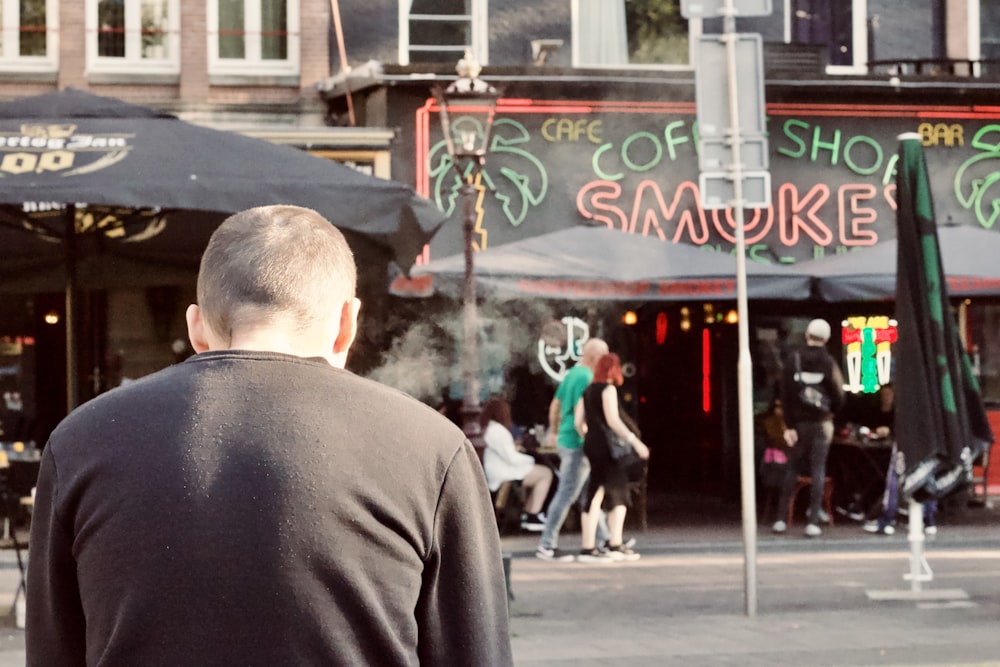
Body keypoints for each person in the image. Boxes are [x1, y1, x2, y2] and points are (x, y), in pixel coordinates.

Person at [26, 205, 513, 666]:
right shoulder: (431, 448)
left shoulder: (80, 441)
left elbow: (53, 654)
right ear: (347, 323)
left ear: (197, 327)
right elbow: (476, 652)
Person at [536, 337, 612, 561]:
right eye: (604, 355)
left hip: (567, 439)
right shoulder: (588, 377)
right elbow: (584, 412)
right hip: (578, 443)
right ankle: (547, 544)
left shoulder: (571, 374)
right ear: (595, 356)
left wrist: (555, 431)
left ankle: (606, 539)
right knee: (568, 493)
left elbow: (556, 404)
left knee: (588, 493)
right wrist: (589, 437)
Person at [773, 318, 846, 538]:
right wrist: (831, 411)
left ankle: (780, 519)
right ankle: (813, 521)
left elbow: (784, 394)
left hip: (799, 424)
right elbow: (839, 395)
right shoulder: (829, 362)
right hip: (822, 423)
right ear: (826, 339)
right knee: (818, 469)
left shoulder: (793, 359)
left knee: (792, 469)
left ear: (807, 336)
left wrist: (789, 425)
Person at [574, 353, 649, 562]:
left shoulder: (587, 391)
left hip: (592, 444)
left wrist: (588, 436)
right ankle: (612, 543)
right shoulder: (608, 389)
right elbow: (613, 420)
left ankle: (591, 545)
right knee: (618, 491)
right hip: (608, 448)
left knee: (595, 492)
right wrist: (635, 441)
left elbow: (577, 423)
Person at [860, 384, 939, 536]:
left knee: (895, 479)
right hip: (927, 440)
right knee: (926, 475)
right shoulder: (928, 389)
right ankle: (929, 519)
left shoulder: (907, 391)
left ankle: (887, 519)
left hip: (905, 440)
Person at [480, 395, 554, 531]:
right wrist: (531, 459)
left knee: (540, 472)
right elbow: (512, 458)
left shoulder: (490, 428)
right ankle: (533, 513)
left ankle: (530, 512)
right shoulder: (498, 430)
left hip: (498, 470)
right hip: (504, 472)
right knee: (546, 473)